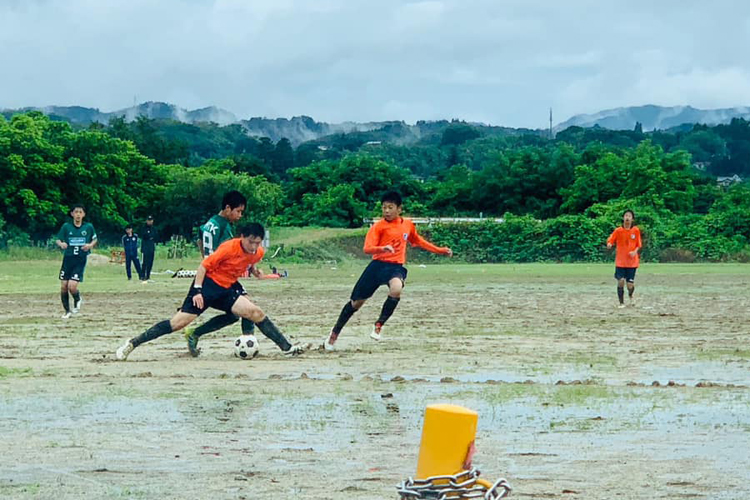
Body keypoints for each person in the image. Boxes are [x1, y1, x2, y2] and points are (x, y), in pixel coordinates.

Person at [115, 223, 304, 360]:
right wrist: (197, 291)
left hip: (227, 288)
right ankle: (132, 343)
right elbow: (203, 266)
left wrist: (255, 271)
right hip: (206, 286)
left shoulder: (258, 252)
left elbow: (250, 261)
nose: (254, 246)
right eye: (251, 242)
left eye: (258, 242)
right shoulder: (228, 248)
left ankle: (287, 348)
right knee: (177, 323)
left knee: (255, 312)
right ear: (242, 237)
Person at [325, 191, 452, 350]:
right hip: (377, 266)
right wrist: (382, 248)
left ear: (399, 209)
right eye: (384, 207)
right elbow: (367, 248)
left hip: (395, 267)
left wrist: (440, 250)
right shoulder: (378, 227)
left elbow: (418, 241)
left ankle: (379, 324)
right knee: (356, 303)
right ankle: (335, 332)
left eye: (390, 207)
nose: (386, 211)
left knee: (396, 288)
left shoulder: (407, 224)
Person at [186, 190, 259, 341]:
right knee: (246, 307)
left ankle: (195, 334)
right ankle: (248, 340)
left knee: (237, 313)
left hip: (212, 273)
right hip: (219, 276)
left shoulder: (210, 224)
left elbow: (200, 240)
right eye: (238, 211)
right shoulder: (222, 227)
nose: (240, 215)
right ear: (227, 208)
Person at [55, 204, 97, 319]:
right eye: (76, 212)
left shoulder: (88, 227)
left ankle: (77, 298)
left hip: (80, 259)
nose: (78, 214)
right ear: (72, 214)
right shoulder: (66, 227)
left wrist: (89, 245)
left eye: (80, 212)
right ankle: (67, 311)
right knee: (64, 286)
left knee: (72, 286)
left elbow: (94, 239)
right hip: (68, 259)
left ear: (83, 214)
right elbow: (58, 239)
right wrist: (61, 244)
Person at [606, 209, 642, 308]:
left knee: (630, 284)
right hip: (620, 262)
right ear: (623, 218)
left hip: (632, 262)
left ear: (632, 219)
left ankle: (631, 295)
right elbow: (611, 239)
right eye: (626, 215)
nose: (627, 217)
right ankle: (621, 303)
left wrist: (634, 251)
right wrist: (609, 243)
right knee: (620, 281)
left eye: (629, 216)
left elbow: (639, 245)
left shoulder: (636, 230)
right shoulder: (618, 231)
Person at [140, 215, 158, 282]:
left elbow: (156, 236)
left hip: (151, 247)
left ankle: (148, 275)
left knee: (150, 262)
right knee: (145, 262)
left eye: (151, 220)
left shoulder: (154, 229)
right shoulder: (144, 228)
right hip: (145, 247)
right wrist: (150, 236)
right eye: (148, 220)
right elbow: (145, 236)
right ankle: (142, 275)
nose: (150, 222)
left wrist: (151, 237)